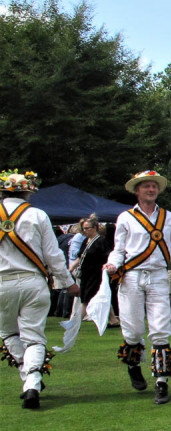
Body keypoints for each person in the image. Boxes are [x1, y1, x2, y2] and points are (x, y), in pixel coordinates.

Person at [105, 170, 171, 405]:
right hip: (132, 276)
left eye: (154, 186)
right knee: (133, 330)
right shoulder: (125, 218)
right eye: (146, 186)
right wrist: (113, 264)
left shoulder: (169, 217)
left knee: (160, 328)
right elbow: (119, 249)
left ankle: (162, 382)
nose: (151, 189)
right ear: (137, 190)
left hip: (158, 275)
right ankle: (134, 364)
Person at [0, 169, 80, 409]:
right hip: (34, 283)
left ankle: (30, 379)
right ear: (28, 191)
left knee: (7, 334)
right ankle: (33, 382)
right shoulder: (38, 215)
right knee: (34, 336)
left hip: (1, 283)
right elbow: (53, 255)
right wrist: (68, 283)